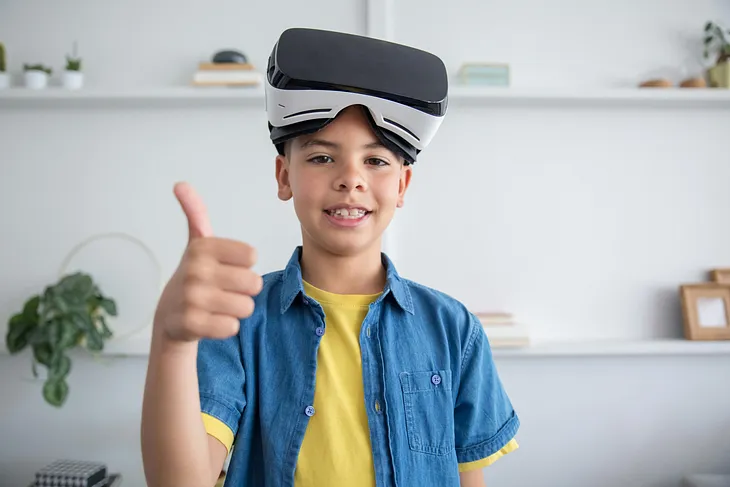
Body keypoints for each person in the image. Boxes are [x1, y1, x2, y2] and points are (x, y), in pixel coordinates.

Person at [141, 28, 519, 487]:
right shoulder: (236, 323)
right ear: (285, 177)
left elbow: (467, 479)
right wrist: (171, 341)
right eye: (322, 158)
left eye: (376, 161)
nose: (350, 179)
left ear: (401, 185)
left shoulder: (454, 330)